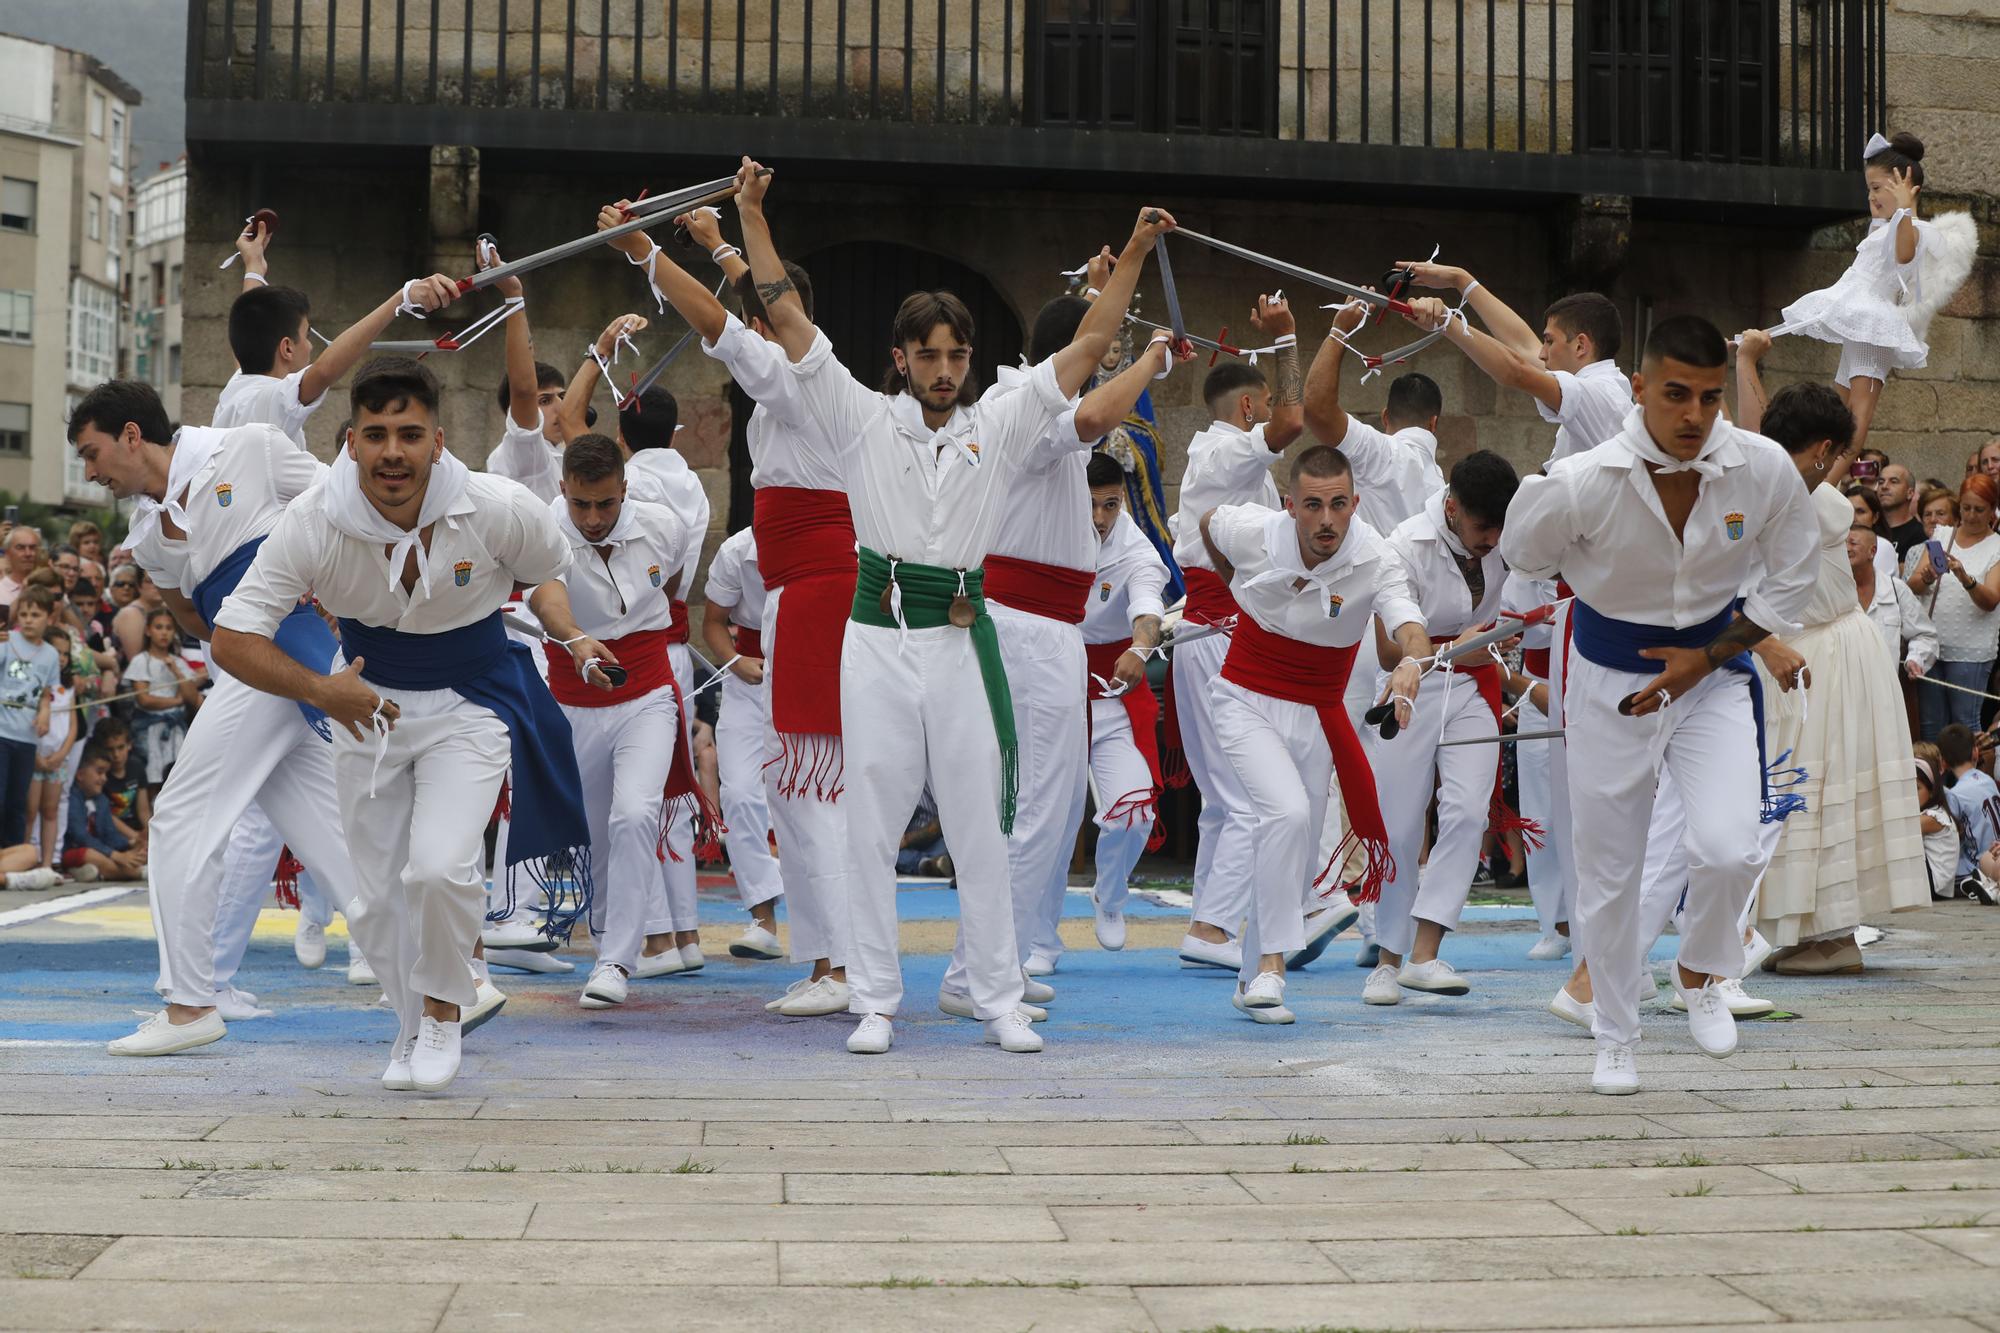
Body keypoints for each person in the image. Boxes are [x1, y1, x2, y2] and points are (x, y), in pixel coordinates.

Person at [732, 156, 1158, 1055]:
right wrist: (751, 217)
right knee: (874, 816)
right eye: (926, 354)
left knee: (979, 817)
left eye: (955, 354)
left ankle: (998, 996)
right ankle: (876, 1000)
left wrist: (1138, 256)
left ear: (969, 361)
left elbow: (1083, 352)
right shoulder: (855, 415)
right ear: (900, 357)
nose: (942, 367)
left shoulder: (1000, 420)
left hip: (965, 640)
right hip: (876, 638)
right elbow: (782, 311)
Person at [211, 355, 604, 1091]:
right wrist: (325, 692)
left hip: (474, 698)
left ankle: (444, 1012)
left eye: (410, 434)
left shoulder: (495, 505)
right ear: (351, 441)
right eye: (378, 434)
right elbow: (233, 637)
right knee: (376, 895)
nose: (394, 451)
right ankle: (407, 1025)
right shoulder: (313, 521)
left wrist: (574, 637)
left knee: (440, 864)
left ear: (439, 440)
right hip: (366, 705)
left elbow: (547, 571)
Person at [1501, 314, 1817, 1096]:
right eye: (1675, 394)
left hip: (1712, 671)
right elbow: (1524, 558)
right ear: (1637, 388)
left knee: (1730, 846)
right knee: (1610, 871)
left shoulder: (1762, 467)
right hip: (1610, 677)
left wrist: (1708, 656)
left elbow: (1793, 576)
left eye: (1710, 398)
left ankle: (1702, 969)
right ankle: (1614, 1035)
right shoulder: (1583, 480)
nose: (1693, 415)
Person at [600, 194, 853, 1019]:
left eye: (769, 312)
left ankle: (840, 968)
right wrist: (718, 242)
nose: (757, 325)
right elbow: (744, 304)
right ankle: (831, 961)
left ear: (787, 318)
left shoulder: (796, 376)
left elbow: (717, 320)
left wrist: (644, 252)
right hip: (799, 596)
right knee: (797, 786)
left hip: (815, 596)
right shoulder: (804, 367)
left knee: (811, 786)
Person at [70, 378, 374, 1057]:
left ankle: (189, 1005)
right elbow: (190, 617)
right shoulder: (145, 535)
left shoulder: (250, 448)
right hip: (244, 661)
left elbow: (342, 504)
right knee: (327, 827)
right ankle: (438, 974)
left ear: (130, 435)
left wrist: (328, 599)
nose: (90, 472)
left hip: (283, 638)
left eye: (92, 454)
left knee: (179, 817)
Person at [941, 282, 1184, 1011]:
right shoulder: (1026, 406)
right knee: (1026, 809)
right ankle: (976, 973)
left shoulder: (1029, 403)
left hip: (1045, 631)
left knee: (1042, 814)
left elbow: (1094, 396)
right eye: (1097, 351)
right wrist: (1149, 359)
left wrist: (1115, 280)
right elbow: (1100, 409)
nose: (1104, 363)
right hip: (1025, 627)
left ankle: (995, 964)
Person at [1197, 446, 1428, 1023]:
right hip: (1244, 696)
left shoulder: (1377, 556)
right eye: (1313, 506)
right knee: (1288, 815)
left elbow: (1409, 625)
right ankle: (1273, 968)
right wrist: (1239, 592)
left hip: (1317, 711)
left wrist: (1409, 667)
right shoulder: (1255, 531)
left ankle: (1251, 976)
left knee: (1295, 852)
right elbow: (1208, 524)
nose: (1327, 519)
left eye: (1339, 504)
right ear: (1290, 505)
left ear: (1355, 503)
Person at [1733, 344, 1930, 972]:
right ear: (1820, 447)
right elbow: (1774, 430)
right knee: (1816, 787)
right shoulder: (1794, 483)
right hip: (1831, 645)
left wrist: (1747, 364)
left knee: (1811, 787)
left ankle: (1832, 936)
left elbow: (1765, 431)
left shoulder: (1789, 489)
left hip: (1821, 650)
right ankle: (1827, 935)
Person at [540, 433, 704, 1012]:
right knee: (597, 832)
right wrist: (579, 641)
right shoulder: (543, 529)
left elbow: (670, 587)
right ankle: (606, 942)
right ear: (563, 490)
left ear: (624, 489)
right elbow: (548, 601)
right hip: (573, 696)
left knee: (637, 812)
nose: (592, 517)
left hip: (649, 692)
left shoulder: (667, 526)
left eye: (605, 504)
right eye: (580, 504)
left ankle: (617, 961)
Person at [1361, 450, 1523, 1006]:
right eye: (1484, 527)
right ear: (1452, 509)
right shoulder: (1403, 544)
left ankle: (1425, 954)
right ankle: (1386, 959)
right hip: (1410, 687)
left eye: (1503, 527)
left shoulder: (1509, 536)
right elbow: (1387, 652)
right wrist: (1468, 646)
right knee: (1400, 825)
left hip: (1474, 689)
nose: (1494, 539)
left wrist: (1496, 642)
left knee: (1467, 809)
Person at [1167, 355, 1305, 973]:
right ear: (1249, 408)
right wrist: (1288, 342)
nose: (1273, 411)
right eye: (1267, 402)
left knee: (1223, 799)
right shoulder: (1227, 455)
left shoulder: (1214, 460)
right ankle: (1213, 924)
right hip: (1219, 633)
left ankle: (1210, 920)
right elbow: (1295, 423)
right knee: (1250, 794)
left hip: (1209, 634)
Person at [1768, 133, 1970, 455]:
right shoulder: (1885, 226)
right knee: (1837, 410)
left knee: (1856, 416)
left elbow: (1904, 255)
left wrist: (1904, 209)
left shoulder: (1913, 228)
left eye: (1877, 188)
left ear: (1901, 186)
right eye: (1869, 190)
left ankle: (1828, 482)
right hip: (1860, 322)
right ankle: (1822, 478)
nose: (1871, 197)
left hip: (1873, 325)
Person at [1399, 263, 1631, 465]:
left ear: (1580, 346)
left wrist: (1446, 322)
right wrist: (1460, 280)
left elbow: (1516, 371)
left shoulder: (1598, 394)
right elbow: (1521, 346)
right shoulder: (1600, 389)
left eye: (1549, 341)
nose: (1541, 353)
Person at [1080, 451, 1170, 951]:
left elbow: (1149, 605)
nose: (1099, 518)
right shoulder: (1044, 527)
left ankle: (1110, 894)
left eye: (1110, 505)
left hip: (1111, 693)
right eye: (1090, 505)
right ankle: (1038, 942)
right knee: (1041, 821)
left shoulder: (1136, 548)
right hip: (1050, 690)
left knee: (1135, 812)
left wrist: (1139, 647)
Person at [699, 525, 787, 962]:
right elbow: (712, 623)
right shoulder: (737, 550)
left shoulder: (841, 539)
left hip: (813, 676)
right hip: (747, 684)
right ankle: (763, 918)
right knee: (738, 794)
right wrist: (734, 661)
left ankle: (831, 929)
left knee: (809, 797)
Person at [1904, 473, 2000, 741]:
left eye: (1979, 509)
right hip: (1931, 643)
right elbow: (1912, 585)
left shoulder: (1997, 546)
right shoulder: (1942, 535)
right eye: (1966, 508)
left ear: (1992, 509)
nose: (1971, 515)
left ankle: (1972, 781)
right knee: (1930, 725)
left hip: (1971, 650)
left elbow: (1990, 600)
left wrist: (1964, 577)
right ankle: (1934, 783)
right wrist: (1925, 577)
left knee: (1966, 724)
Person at [0, 587, 59, 848]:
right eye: (23, 614)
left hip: (26, 737)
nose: (28, 619)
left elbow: (46, 693)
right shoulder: (6, 641)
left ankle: (12, 854)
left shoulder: (51, 654)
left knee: (17, 800)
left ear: (49, 617)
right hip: (1, 732)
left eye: (35, 614)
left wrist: (44, 714)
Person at [123, 607, 203, 796]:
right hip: (150, 729)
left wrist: (176, 670)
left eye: (168, 628)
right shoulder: (141, 661)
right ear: (148, 630)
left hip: (176, 730)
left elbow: (192, 698)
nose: (164, 632)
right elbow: (145, 700)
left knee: (177, 779)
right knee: (153, 780)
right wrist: (176, 701)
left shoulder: (178, 662)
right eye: (159, 627)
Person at [31, 624, 80, 868]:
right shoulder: (34, 681)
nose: (60, 659)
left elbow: (72, 727)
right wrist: (37, 754)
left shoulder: (68, 687)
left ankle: (49, 864)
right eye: (56, 652)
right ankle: (30, 858)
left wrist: (61, 754)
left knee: (51, 811)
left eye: (65, 654)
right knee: (31, 811)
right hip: (35, 756)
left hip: (58, 758)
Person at [1940, 724, 2000, 906]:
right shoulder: (1987, 779)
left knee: (1941, 876)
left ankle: (1982, 881)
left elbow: (1950, 837)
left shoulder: (1955, 794)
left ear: (1943, 762)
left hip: (1978, 859)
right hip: (1995, 851)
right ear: (1975, 752)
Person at [63, 747, 144, 882]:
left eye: (106, 773)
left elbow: (110, 834)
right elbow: (80, 836)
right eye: (100, 772)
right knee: (91, 855)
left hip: (101, 852)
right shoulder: (71, 798)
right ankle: (137, 873)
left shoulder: (102, 800)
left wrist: (131, 845)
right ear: (80, 775)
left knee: (134, 855)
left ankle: (96, 872)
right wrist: (115, 855)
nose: (104, 778)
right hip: (74, 851)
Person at [1913, 748, 1959, 901]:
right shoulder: (1931, 812)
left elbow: (1901, 831)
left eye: (1917, 788)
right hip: (1936, 885)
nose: (1911, 795)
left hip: (1936, 885)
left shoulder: (1933, 817)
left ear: (1932, 791)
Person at [1878, 462, 1927, 559]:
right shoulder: (1870, 528)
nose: (1884, 486)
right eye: (1881, 482)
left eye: (1894, 481)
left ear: (1910, 493)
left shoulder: (1919, 534)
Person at [0, 525, 43, 613]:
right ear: (7, 553)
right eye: (20, 548)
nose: (28, 553)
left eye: (32, 548)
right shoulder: (1, 590)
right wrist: (24, 594)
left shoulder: (49, 585)